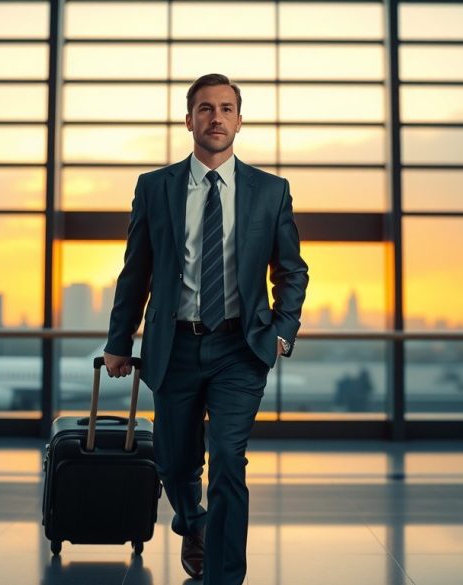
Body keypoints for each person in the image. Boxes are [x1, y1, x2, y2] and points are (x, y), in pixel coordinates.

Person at [102, 73, 308, 585]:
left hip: (242, 345)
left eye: (226, 109)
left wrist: (282, 330)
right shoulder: (155, 187)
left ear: (240, 120)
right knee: (174, 463)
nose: (216, 117)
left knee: (229, 463)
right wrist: (118, 341)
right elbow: (137, 270)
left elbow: (292, 270)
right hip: (176, 344)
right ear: (188, 118)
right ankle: (192, 524)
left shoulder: (270, 191)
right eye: (205, 109)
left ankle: (223, 577)